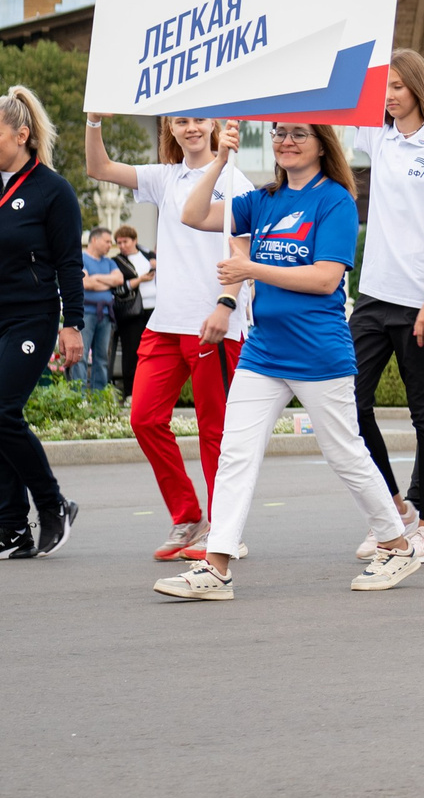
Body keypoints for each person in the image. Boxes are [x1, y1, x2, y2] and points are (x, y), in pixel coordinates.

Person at [151, 119, 423, 598]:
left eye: (298, 133)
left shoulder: (335, 198)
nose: (285, 141)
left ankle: (397, 544)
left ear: (322, 144)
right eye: (278, 133)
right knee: (236, 454)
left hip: (318, 351)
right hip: (263, 350)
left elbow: (324, 278)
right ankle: (216, 568)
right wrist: (219, 159)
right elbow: (191, 214)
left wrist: (251, 267)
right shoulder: (262, 199)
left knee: (345, 454)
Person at [85, 113, 254, 561]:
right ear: (170, 129)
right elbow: (99, 169)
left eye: (199, 119)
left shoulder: (237, 182)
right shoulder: (165, 177)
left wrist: (226, 305)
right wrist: (96, 120)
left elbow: (243, 253)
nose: (191, 127)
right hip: (167, 323)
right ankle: (188, 516)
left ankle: (224, 530)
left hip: (215, 325)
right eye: (181, 121)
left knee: (214, 431)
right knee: (143, 417)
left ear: (215, 123)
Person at [347, 49, 424, 563]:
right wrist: (349, 4)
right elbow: (347, 86)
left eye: (398, 85)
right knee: (349, 406)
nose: (389, 94)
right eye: (386, 87)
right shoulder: (377, 137)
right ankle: (395, 512)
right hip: (373, 298)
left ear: (418, 87)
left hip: (423, 301)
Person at [0, 87, 86, 559]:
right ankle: (11, 528)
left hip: (31, 316)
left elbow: (70, 263)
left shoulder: (52, 190)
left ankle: (52, 506)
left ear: (22, 135)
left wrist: (72, 323)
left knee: (2, 412)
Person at [110, 227, 152, 396]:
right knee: (131, 351)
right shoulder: (117, 261)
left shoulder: (147, 256)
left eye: (125, 241)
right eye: (119, 243)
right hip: (132, 311)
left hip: (153, 308)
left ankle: (147, 392)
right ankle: (130, 392)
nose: (122, 246)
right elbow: (119, 288)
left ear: (134, 240)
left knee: (151, 352)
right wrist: (140, 280)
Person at [79, 226, 119, 389]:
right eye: (107, 241)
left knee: (102, 357)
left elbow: (119, 280)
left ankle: (99, 399)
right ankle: (78, 397)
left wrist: (96, 278)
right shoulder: (80, 258)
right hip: (86, 313)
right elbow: (86, 283)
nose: (110, 245)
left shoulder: (109, 262)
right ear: (94, 240)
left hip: (105, 315)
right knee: (80, 356)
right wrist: (107, 284)